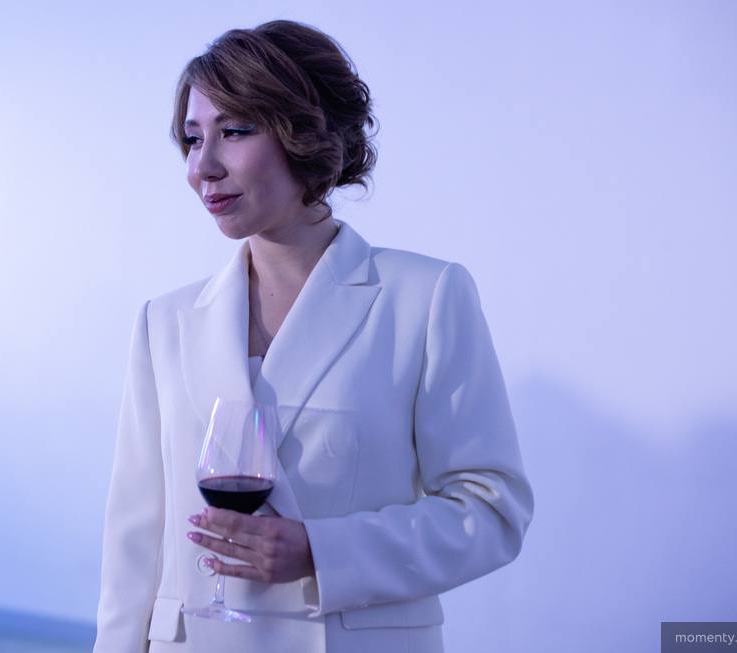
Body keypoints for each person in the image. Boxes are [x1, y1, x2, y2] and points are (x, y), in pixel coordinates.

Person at [93, 19, 533, 653]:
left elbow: (491, 510)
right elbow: (133, 542)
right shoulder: (165, 321)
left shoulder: (425, 297)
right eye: (192, 138)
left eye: (234, 131)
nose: (203, 167)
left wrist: (322, 552)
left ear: (304, 133)